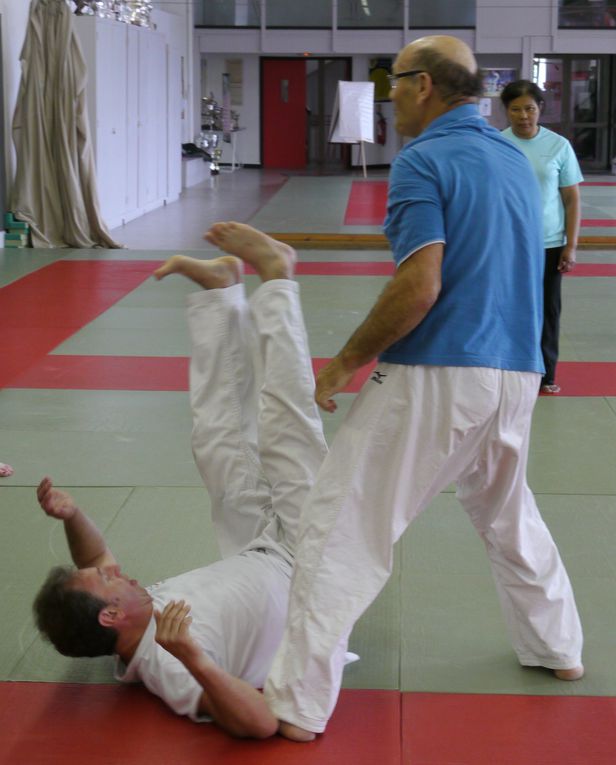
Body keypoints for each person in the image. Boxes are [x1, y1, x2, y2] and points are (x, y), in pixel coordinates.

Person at [263, 35, 584, 742]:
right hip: (516, 372)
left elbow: (420, 285)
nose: (388, 96)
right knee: (508, 513)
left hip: (439, 370)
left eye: (396, 82)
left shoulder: (424, 160)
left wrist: (346, 359)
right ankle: (557, 646)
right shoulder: (509, 155)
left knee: (339, 523)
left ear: (427, 87)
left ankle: (294, 701)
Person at [32, 223, 340, 739]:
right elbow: (262, 725)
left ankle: (222, 294)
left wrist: (73, 515)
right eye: (109, 583)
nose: (118, 572)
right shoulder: (168, 664)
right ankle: (279, 280)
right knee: (287, 424)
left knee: (218, 440)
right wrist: (196, 657)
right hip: (309, 565)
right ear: (110, 616)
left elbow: (93, 562)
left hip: (257, 546)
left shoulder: (131, 613)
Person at [501, 80, 583, 394]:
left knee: (548, 310)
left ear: (540, 110)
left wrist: (571, 245)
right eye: (516, 109)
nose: (524, 116)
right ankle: (510, 369)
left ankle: (546, 375)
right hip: (509, 245)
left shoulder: (558, 146)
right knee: (510, 308)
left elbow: (571, 199)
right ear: (506, 111)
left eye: (530, 108)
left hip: (550, 244)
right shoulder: (497, 144)